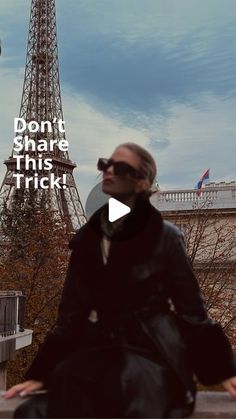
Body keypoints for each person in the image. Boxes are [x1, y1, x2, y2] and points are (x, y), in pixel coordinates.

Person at [4, 143, 236, 418]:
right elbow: (71, 315)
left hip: (150, 352)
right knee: (34, 411)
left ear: (142, 182)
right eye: (106, 164)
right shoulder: (88, 239)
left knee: (129, 393)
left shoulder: (165, 237)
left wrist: (223, 370)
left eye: (121, 167)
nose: (109, 171)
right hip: (96, 352)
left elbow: (192, 311)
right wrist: (42, 372)